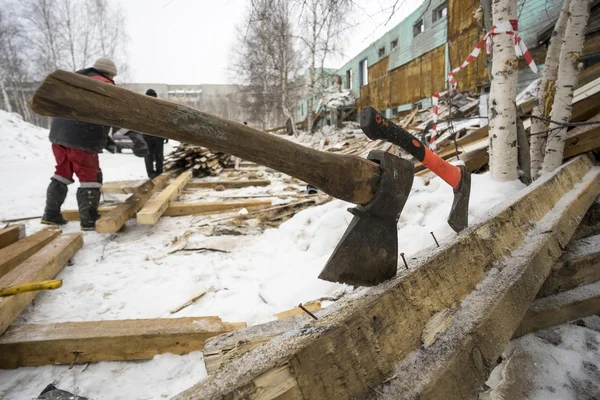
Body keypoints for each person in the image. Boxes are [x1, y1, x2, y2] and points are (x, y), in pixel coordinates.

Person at [41, 57, 118, 230]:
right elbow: (114, 114)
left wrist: (107, 139)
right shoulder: (104, 84)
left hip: (59, 134)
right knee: (90, 176)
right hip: (82, 137)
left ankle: (51, 214)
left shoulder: (74, 81)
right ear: (108, 73)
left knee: (62, 173)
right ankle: (89, 220)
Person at [142, 89, 168, 179]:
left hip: (158, 136)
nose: (151, 98)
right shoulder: (143, 108)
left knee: (159, 156)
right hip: (147, 136)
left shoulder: (160, 108)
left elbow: (164, 122)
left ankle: (159, 173)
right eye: (149, 96)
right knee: (148, 156)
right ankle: (151, 174)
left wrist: (166, 135)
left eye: (153, 96)